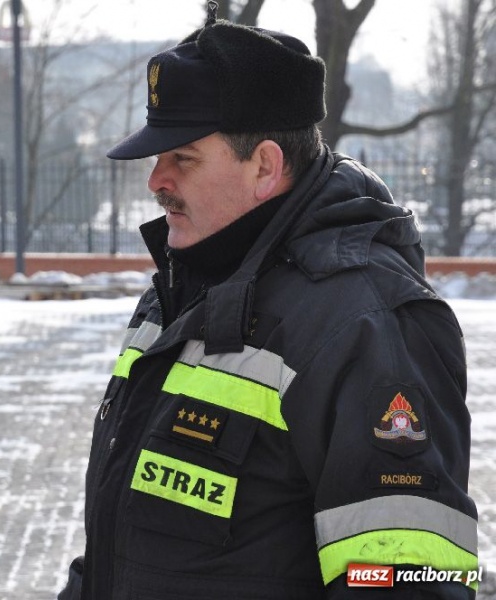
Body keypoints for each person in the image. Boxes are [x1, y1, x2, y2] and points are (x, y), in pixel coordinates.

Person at [58, 8, 478, 600]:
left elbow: (408, 584)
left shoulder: (370, 323)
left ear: (264, 166)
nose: (156, 179)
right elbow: (120, 547)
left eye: (183, 157)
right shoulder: (180, 288)